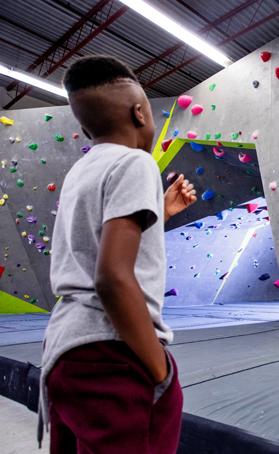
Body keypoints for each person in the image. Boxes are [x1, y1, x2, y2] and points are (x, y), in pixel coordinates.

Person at [39, 55, 197, 453]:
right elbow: (111, 277)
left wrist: (159, 212)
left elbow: (92, 247)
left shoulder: (82, 170)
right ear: (140, 112)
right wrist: (159, 370)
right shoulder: (136, 162)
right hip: (112, 354)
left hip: (63, 351)